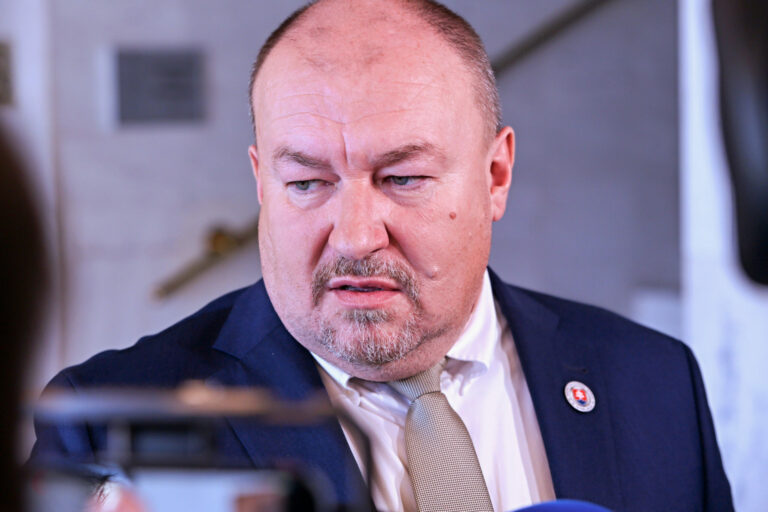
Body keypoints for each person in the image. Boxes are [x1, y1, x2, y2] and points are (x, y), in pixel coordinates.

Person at [32, 1, 734, 511]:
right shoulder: (107, 424)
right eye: (307, 183)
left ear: (495, 176)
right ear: (261, 183)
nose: (355, 236)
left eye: (402, 178)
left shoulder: (653, 381)